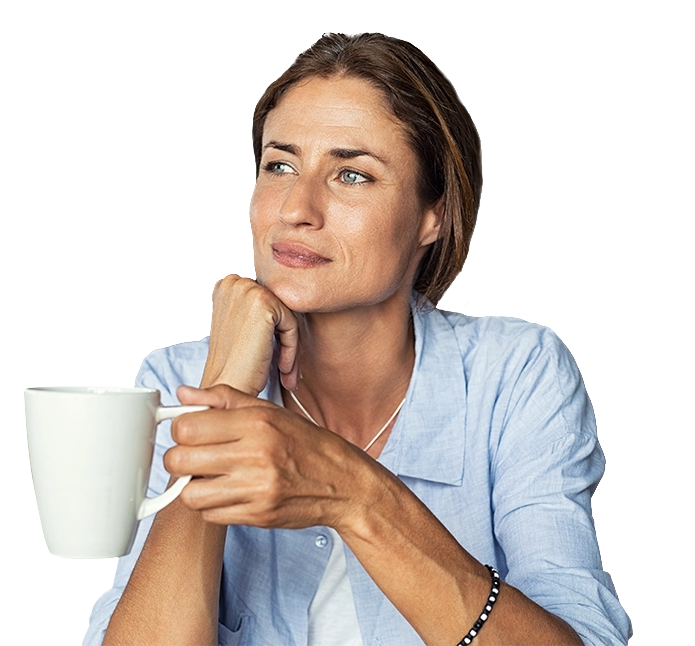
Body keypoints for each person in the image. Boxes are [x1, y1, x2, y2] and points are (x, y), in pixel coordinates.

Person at [85, 33, 630, 646]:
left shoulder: (516, 376)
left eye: (351, 175)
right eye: (280, 165)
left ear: (436, 214)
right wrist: (225, 388)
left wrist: (355, 494)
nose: (296, 207)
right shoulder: (174, 382)